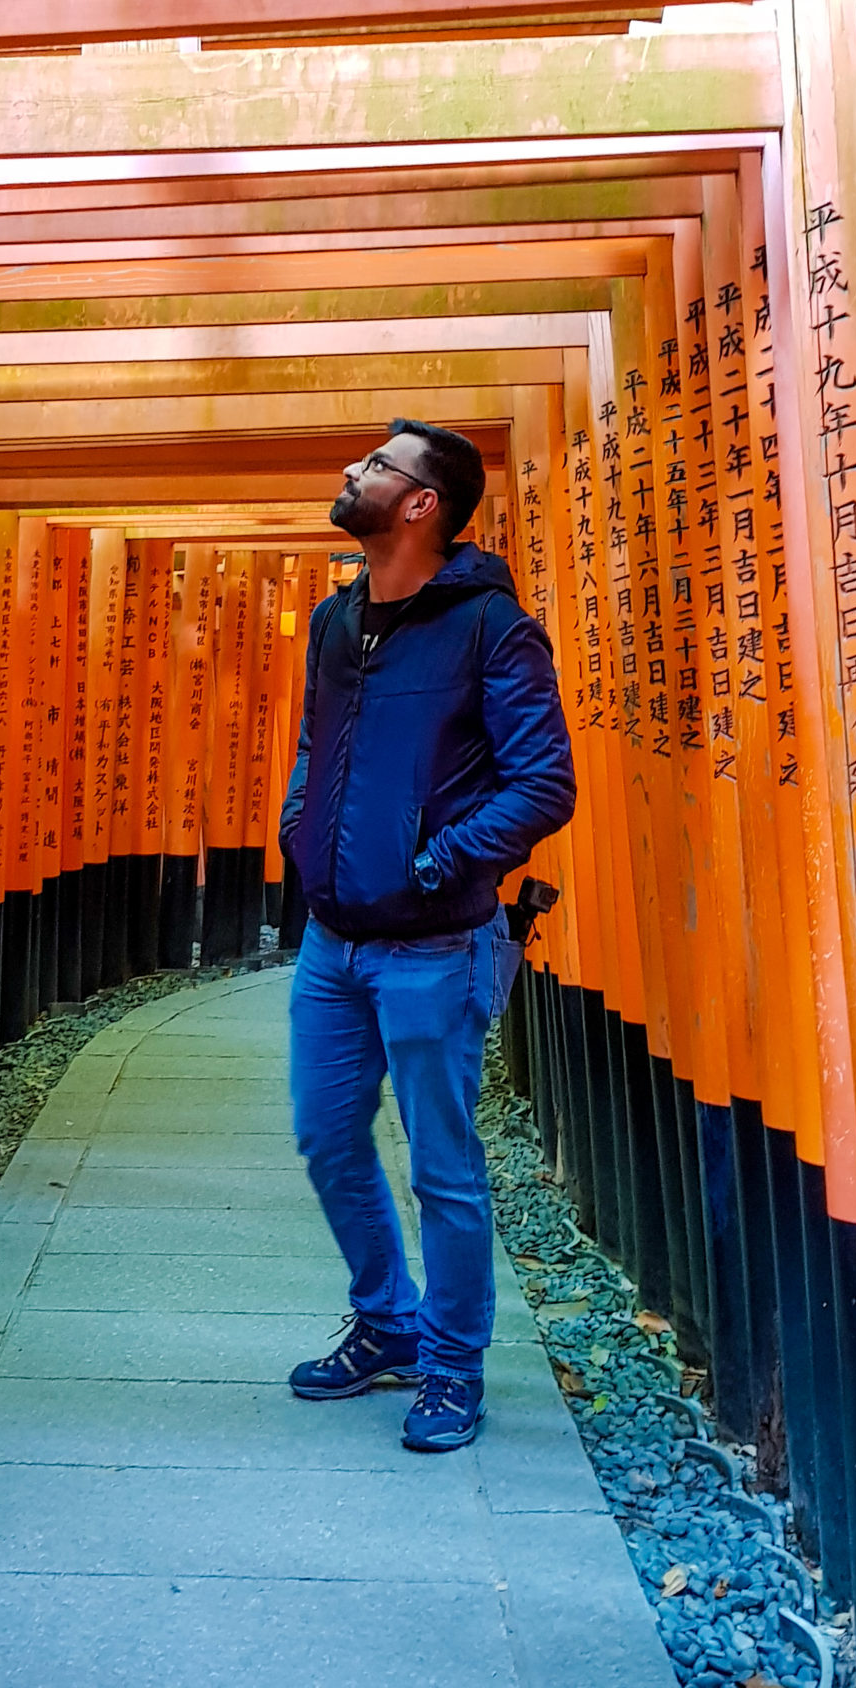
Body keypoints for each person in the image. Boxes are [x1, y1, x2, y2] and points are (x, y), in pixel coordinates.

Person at [278, 419, 576, 1452]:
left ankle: (451, 1364)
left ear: (418, 504)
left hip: (431, 946)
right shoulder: (333, 618)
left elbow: (544, 783)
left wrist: (434, 861)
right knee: (324, 1136)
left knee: (441, 1165)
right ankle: (388, 1321)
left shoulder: (492, 627)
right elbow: (317, 746)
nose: (351, 473)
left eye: (373, 465)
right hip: (331, 944)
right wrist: (298, 830)